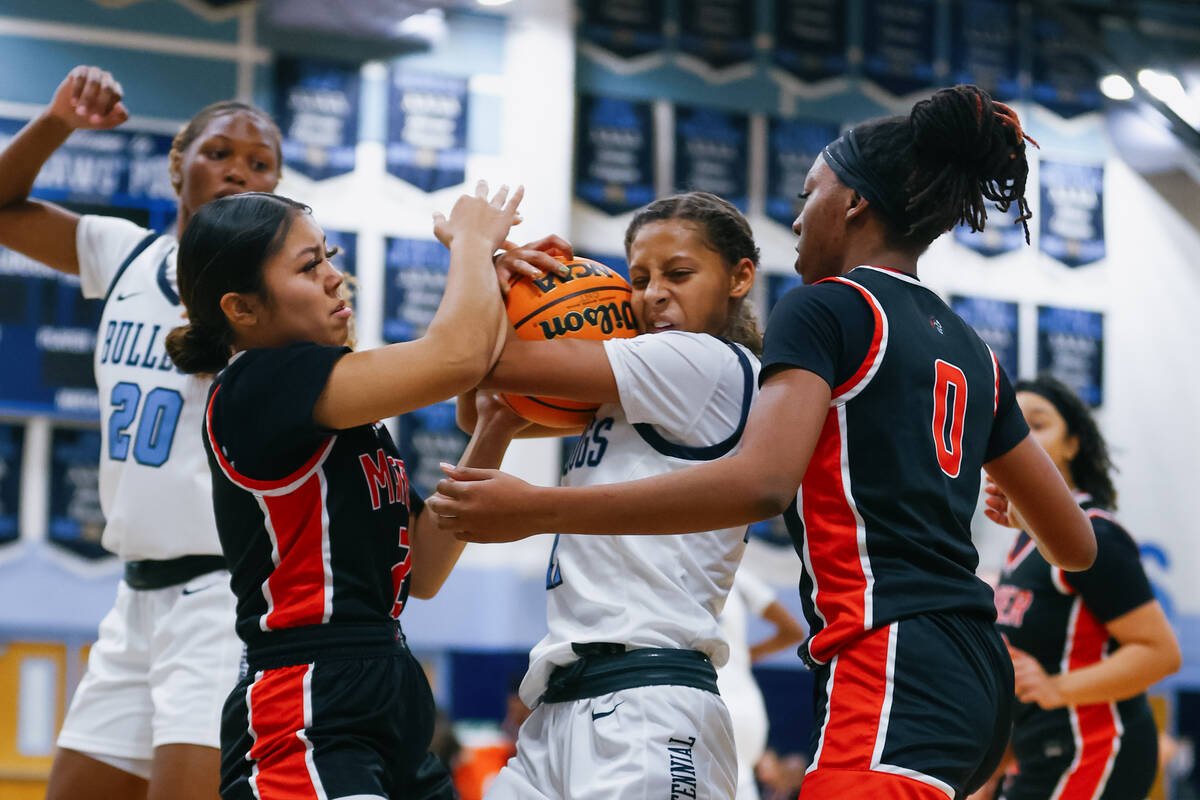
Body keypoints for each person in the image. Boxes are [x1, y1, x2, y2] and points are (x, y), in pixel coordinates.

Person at [429, 85, 1098, 800]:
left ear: (853, 204)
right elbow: (1075, 546)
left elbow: (762, 485)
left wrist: (539, 509)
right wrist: (1004, 501)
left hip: (889, 654)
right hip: (972, 671)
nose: (797, 215)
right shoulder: (975, 351)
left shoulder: (828, 306)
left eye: (809, 192)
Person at [167, 184, 523, 799]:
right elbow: (456, 357)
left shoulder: (344, 417)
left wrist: (496, 425)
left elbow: (427, 567)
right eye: (310, 266)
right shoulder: (257, 386)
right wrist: (471, 245)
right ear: (242, 309)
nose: (337, 278)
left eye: (329, 255)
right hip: (307, 697)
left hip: (390, 682)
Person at [0, 65, 285, 800]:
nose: (238, 170)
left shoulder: (276, 304)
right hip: (134, 598)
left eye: (260, 164)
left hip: (222, 599)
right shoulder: (125, 253)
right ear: (177, 164)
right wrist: (58, 118)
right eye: (219, 152)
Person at [454, 191, 763, 798]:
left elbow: (478, 362)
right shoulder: (632, 388)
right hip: (565, 701)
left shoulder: (704, 364)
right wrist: (500, 291)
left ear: (739, 277)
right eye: (639, 278)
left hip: (649, 697)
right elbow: (480, 409)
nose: (653, 294)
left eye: (678, 274)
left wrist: (480, 263)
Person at [978, 376, 1180, 800]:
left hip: (1095, 751)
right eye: (1014, 426)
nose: (1022, 438)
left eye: (1038, 424)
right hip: (1040, 752)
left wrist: (1056, 688)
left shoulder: (1095, 535)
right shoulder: (1020, 542)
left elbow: (1161, 653)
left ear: (1073, 444)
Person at [716, 566, 805, 800]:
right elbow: (793, 631)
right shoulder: (734, 569)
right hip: (749, 710)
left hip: (710, 700)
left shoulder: (669, 568)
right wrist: (742, 656)